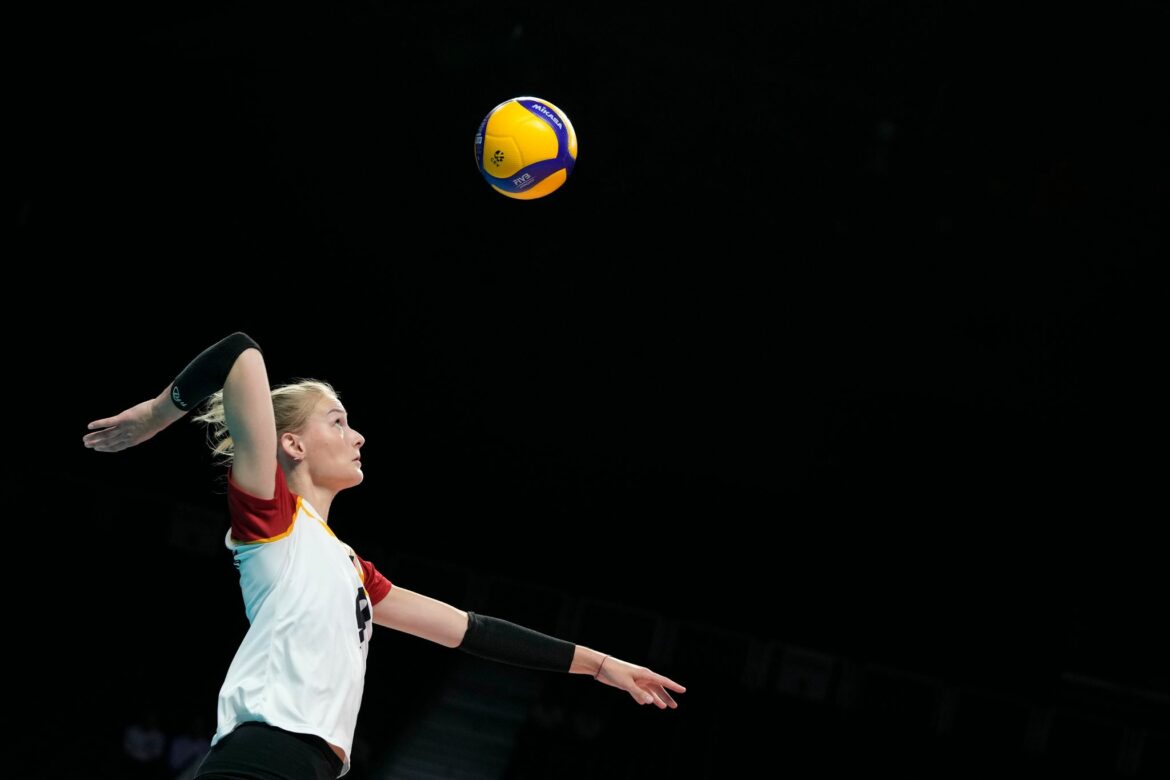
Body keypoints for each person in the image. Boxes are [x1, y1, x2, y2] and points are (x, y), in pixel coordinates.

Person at [83, 332, 686, 780]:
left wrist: (601, 664)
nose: (359, 435)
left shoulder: (351, 569)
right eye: (339, 422)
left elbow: (469, 631)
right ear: (289, 442)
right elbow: (240, 353)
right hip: (262, 756)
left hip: (306, 768)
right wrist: (157, 414)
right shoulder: (272, 521)